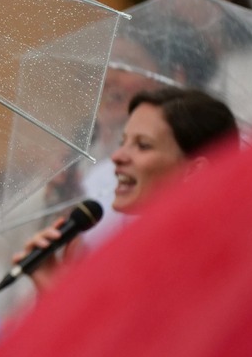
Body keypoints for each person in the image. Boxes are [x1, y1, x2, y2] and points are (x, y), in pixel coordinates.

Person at [18, 86, 239, 292]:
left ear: (196, 171)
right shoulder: (127, 255)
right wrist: (60, 293)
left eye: (143, 145)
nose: (117, 157)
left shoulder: (216, 271)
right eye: (122, 142)